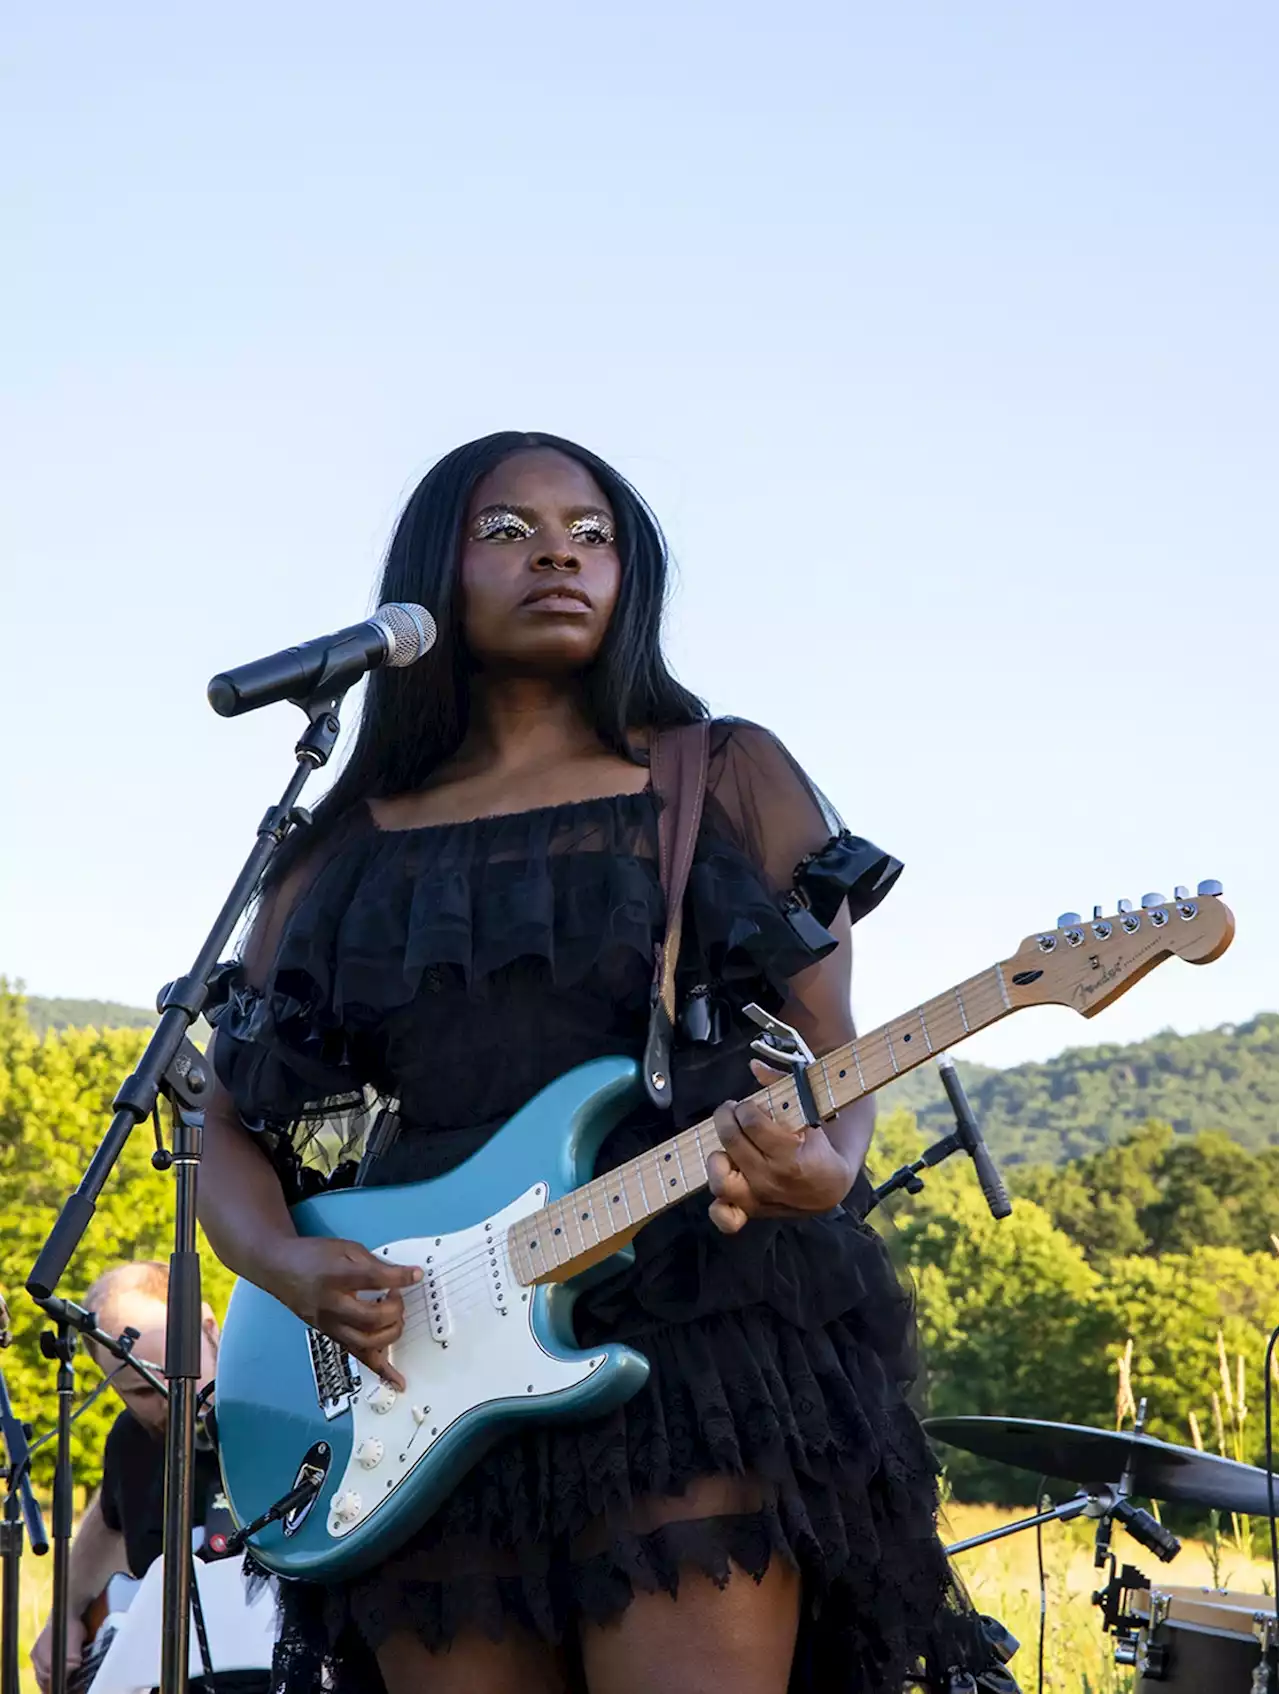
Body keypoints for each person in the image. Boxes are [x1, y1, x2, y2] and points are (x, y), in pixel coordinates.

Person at [198, 433, 972, 1694]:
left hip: (694, 1328)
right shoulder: (333, 849)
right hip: (419, 1370)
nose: (557, 551)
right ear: (429, 572)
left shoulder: (718, 775)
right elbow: (226, 1123)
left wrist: (823, 1170)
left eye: (590, 530)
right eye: (505, 530)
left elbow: (835, 1053)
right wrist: (283, 1263)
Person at [30, 1260, 222, 1694]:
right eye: (139, 1392)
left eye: (180, 1374)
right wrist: (65, 1616)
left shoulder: (280, 1407)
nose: (168, 1399)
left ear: (207, 1326)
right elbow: (106, 1519)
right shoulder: (130, 1439)